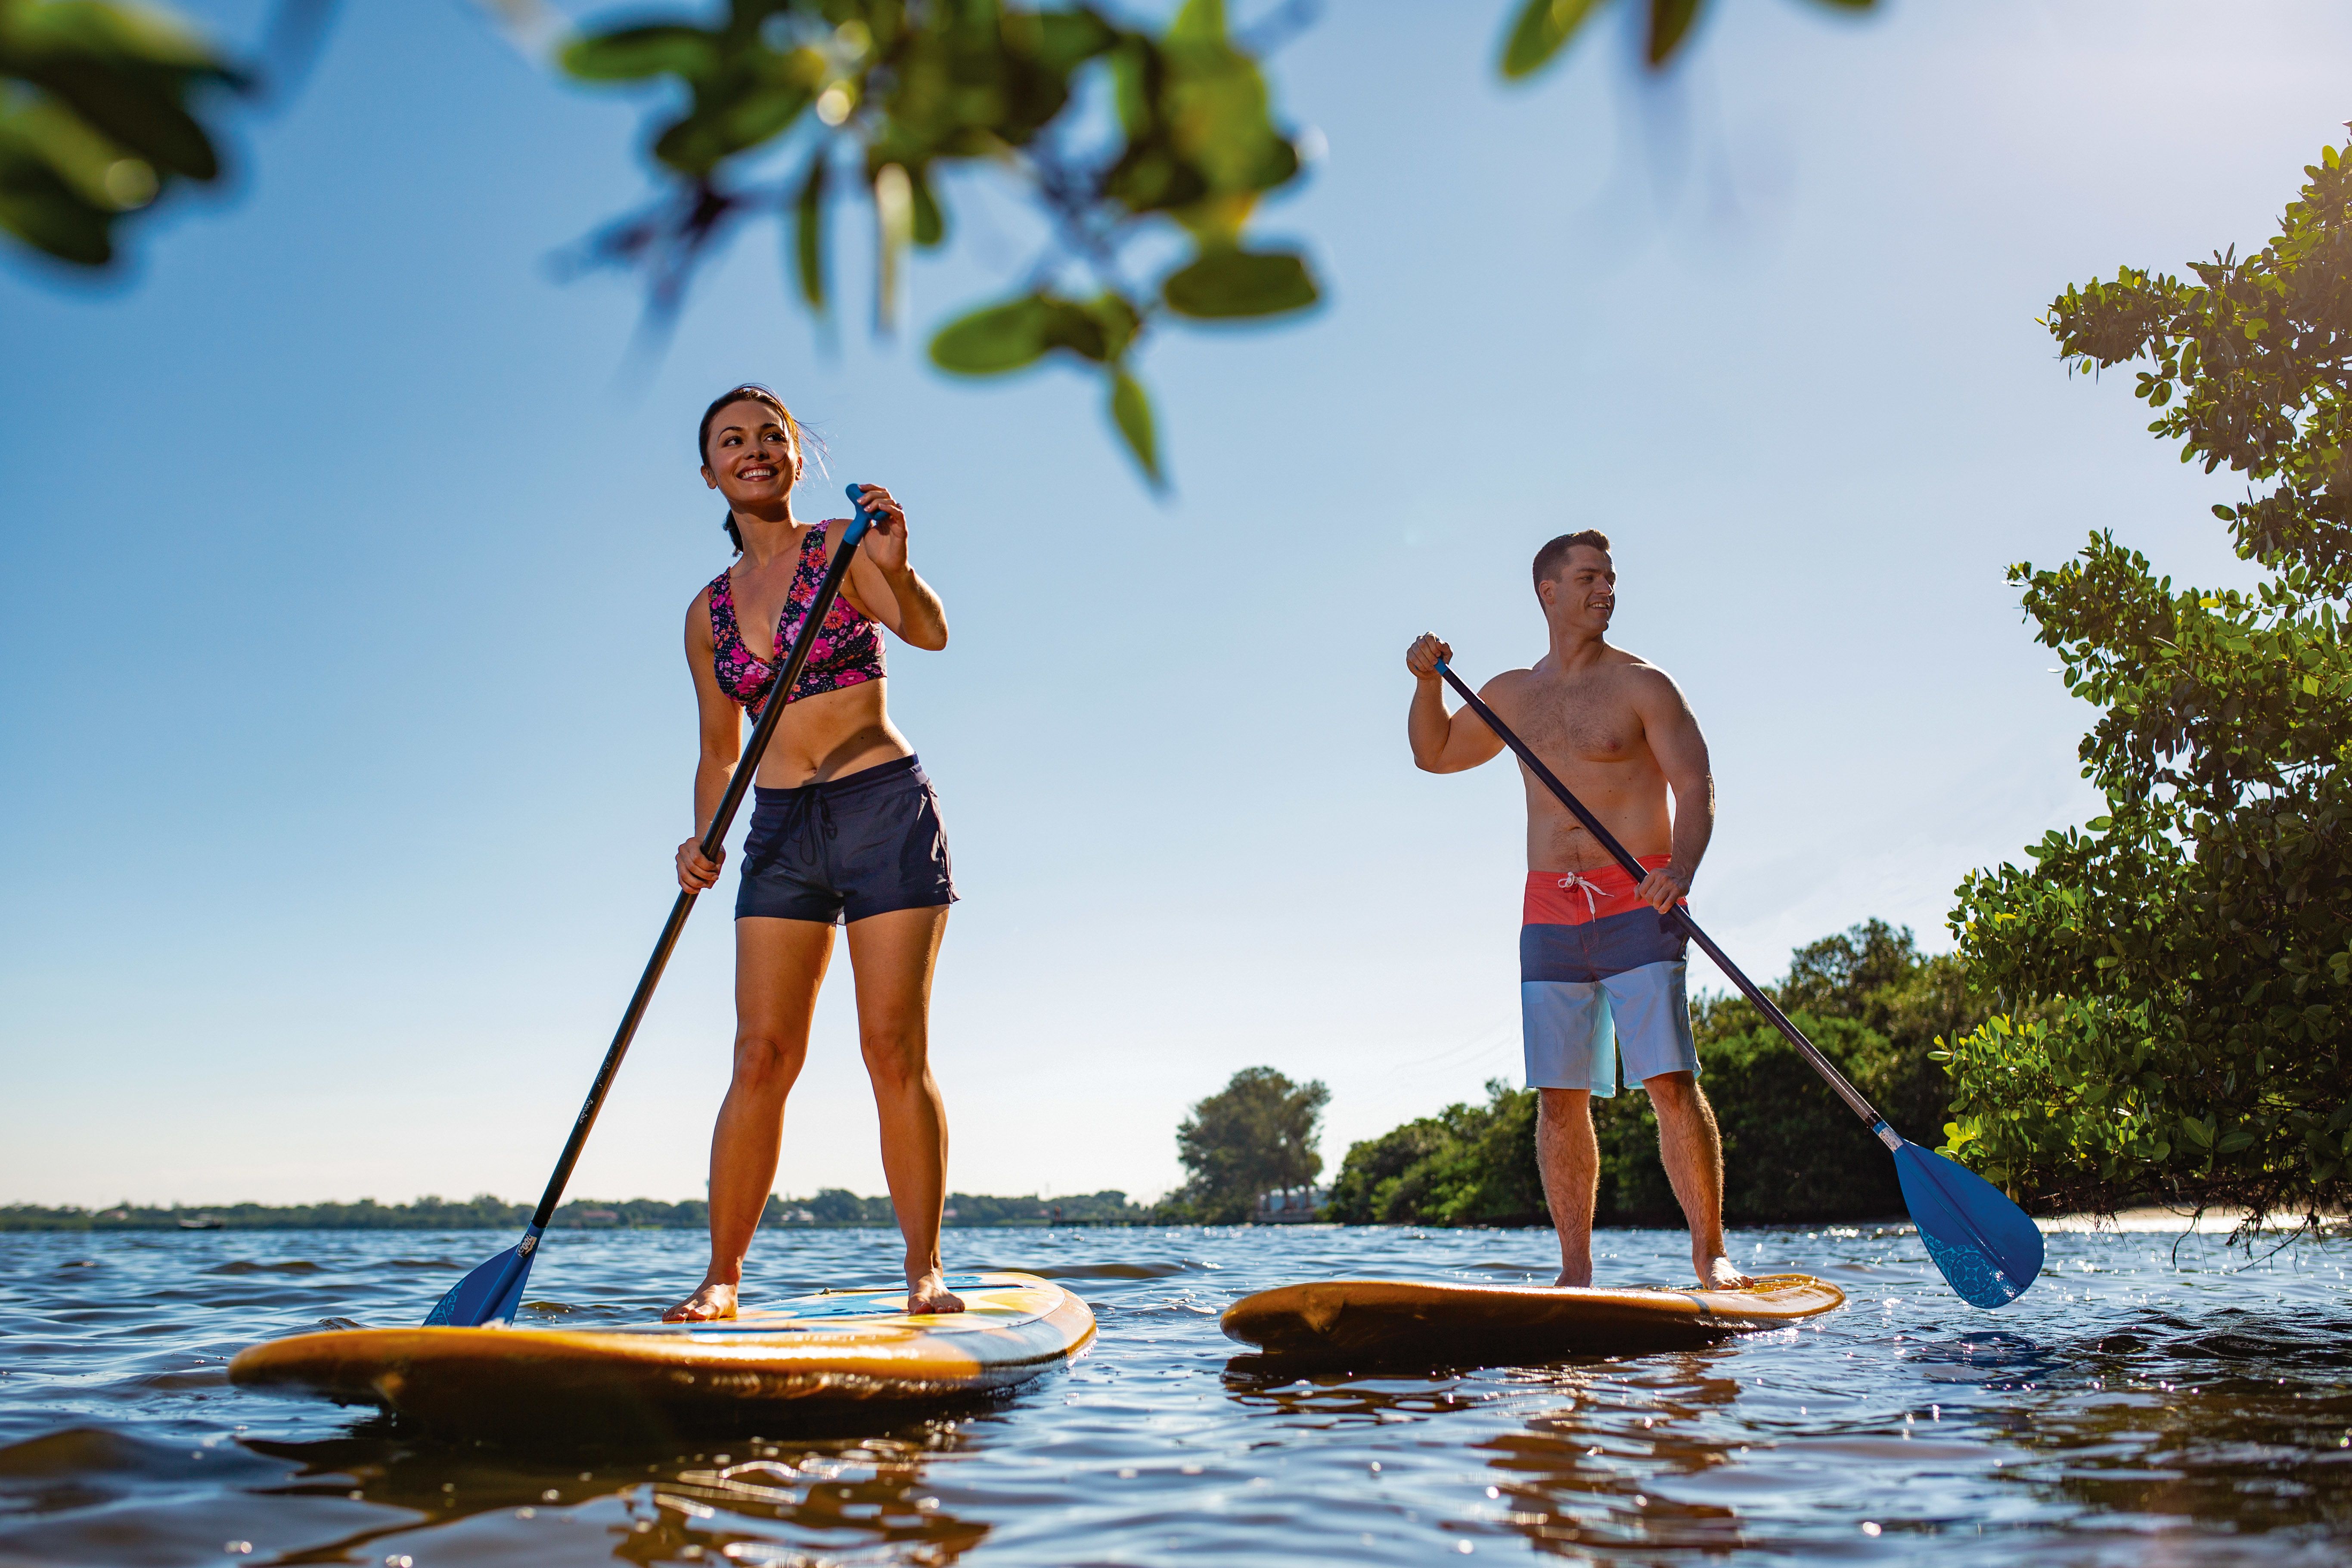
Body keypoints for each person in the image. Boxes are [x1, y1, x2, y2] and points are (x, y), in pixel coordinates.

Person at [665, 384, 963, 1320]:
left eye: (771, 437)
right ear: (707, 471)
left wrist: (896, 563)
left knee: (891, 1047)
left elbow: (928, 631)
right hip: (781, 828)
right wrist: (701, 839)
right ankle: (721, 1281)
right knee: (759, 1055)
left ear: (797, 456)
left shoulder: (843, 544)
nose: (753, 451)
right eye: (732, 441)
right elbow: (721, 752)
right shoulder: (704, 613)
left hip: (882, 803)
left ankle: (923, 1271)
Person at [1405, 530, 1753, 1292]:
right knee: (1559, 1097)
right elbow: (1433, 754)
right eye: (1589, 577)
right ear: (1548, 591)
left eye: (1611, 579)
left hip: (1640, 894)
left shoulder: (1643, 685)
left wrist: (1681, 873)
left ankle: (1710, 1254)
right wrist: (1426, 681)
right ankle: (1575, 1272)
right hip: (1547, 908)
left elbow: (1695, 787)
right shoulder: (1509, 695)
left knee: (1666, 1079)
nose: (1605, 590)